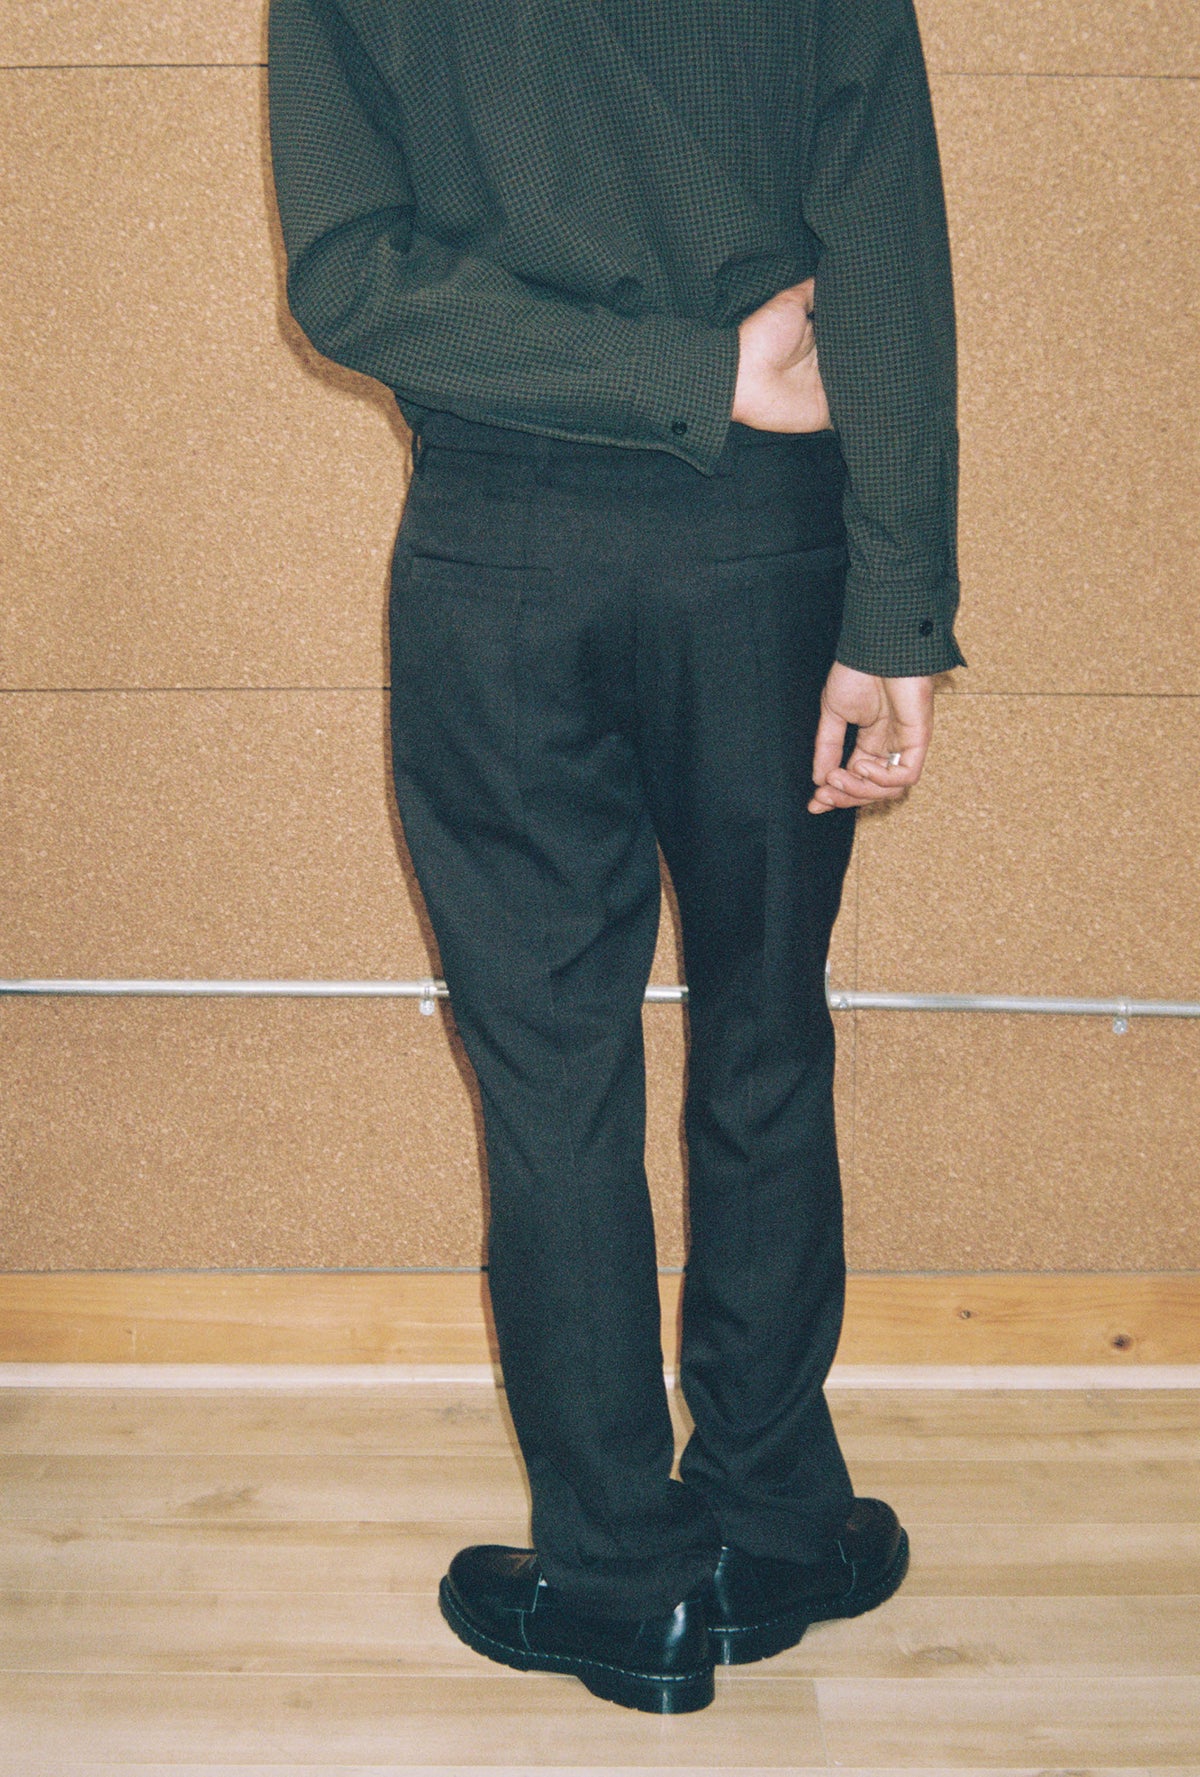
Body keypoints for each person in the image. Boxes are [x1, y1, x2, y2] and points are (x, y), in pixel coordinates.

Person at [268, 0, 965, 1715]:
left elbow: (350, 276)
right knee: (764, 1025)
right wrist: (895, 600)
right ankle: (778, 1515)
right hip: (767, 542)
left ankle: (621, 1578)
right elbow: (886, 235)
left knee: (552, 1063)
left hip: (504, 549)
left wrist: (668, 381)